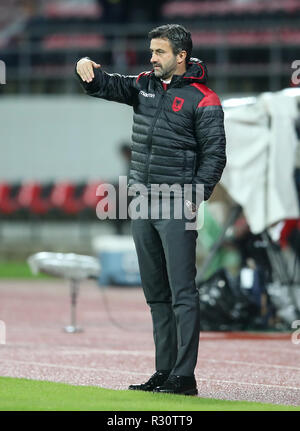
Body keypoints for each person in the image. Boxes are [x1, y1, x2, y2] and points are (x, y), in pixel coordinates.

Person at [76, 24, 226, 395]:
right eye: (151, 51)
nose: (152, 58)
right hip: (141, 201)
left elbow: (215, 156)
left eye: (159, 52)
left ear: (181, 56)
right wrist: (86, 68)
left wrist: (195, 197)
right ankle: (164, 371)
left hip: (177, 202)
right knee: (156, 294)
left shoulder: (204, 99)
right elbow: (105, 84)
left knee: (182, 293)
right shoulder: (142, 85)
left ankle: (184, 377)